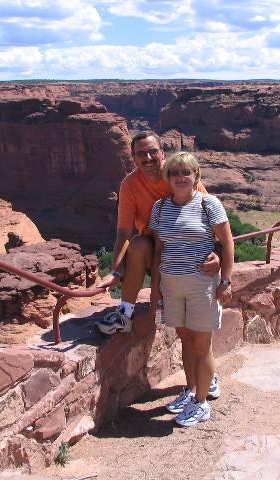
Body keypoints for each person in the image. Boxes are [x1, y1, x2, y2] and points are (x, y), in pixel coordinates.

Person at [95, 132, 219, 335]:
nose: (148, 158)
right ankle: (125, 314)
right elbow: (124, 233)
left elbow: (212, 219)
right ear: (133, 158)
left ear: (162, 153)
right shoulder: (130, 185)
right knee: (138, 244)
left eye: (153, 151)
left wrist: (217, 255)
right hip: (157, 252)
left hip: (191, 253)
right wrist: (116, 271)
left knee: (196, 334)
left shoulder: (179, 176)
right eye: (141, 154)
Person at [148, 152, 234, 427]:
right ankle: (191, 390)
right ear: (168, 178)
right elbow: (159, 249)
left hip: (201, 283)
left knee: (201, 344)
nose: (180, 177)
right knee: (185, 339)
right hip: (171, 283)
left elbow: (227, 242)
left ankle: (201, 403)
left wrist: (226, 280)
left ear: (196, 175)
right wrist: (155, 288)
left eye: (186, 172)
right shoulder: (160, 207)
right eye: (174, 173)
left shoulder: (209, 204)